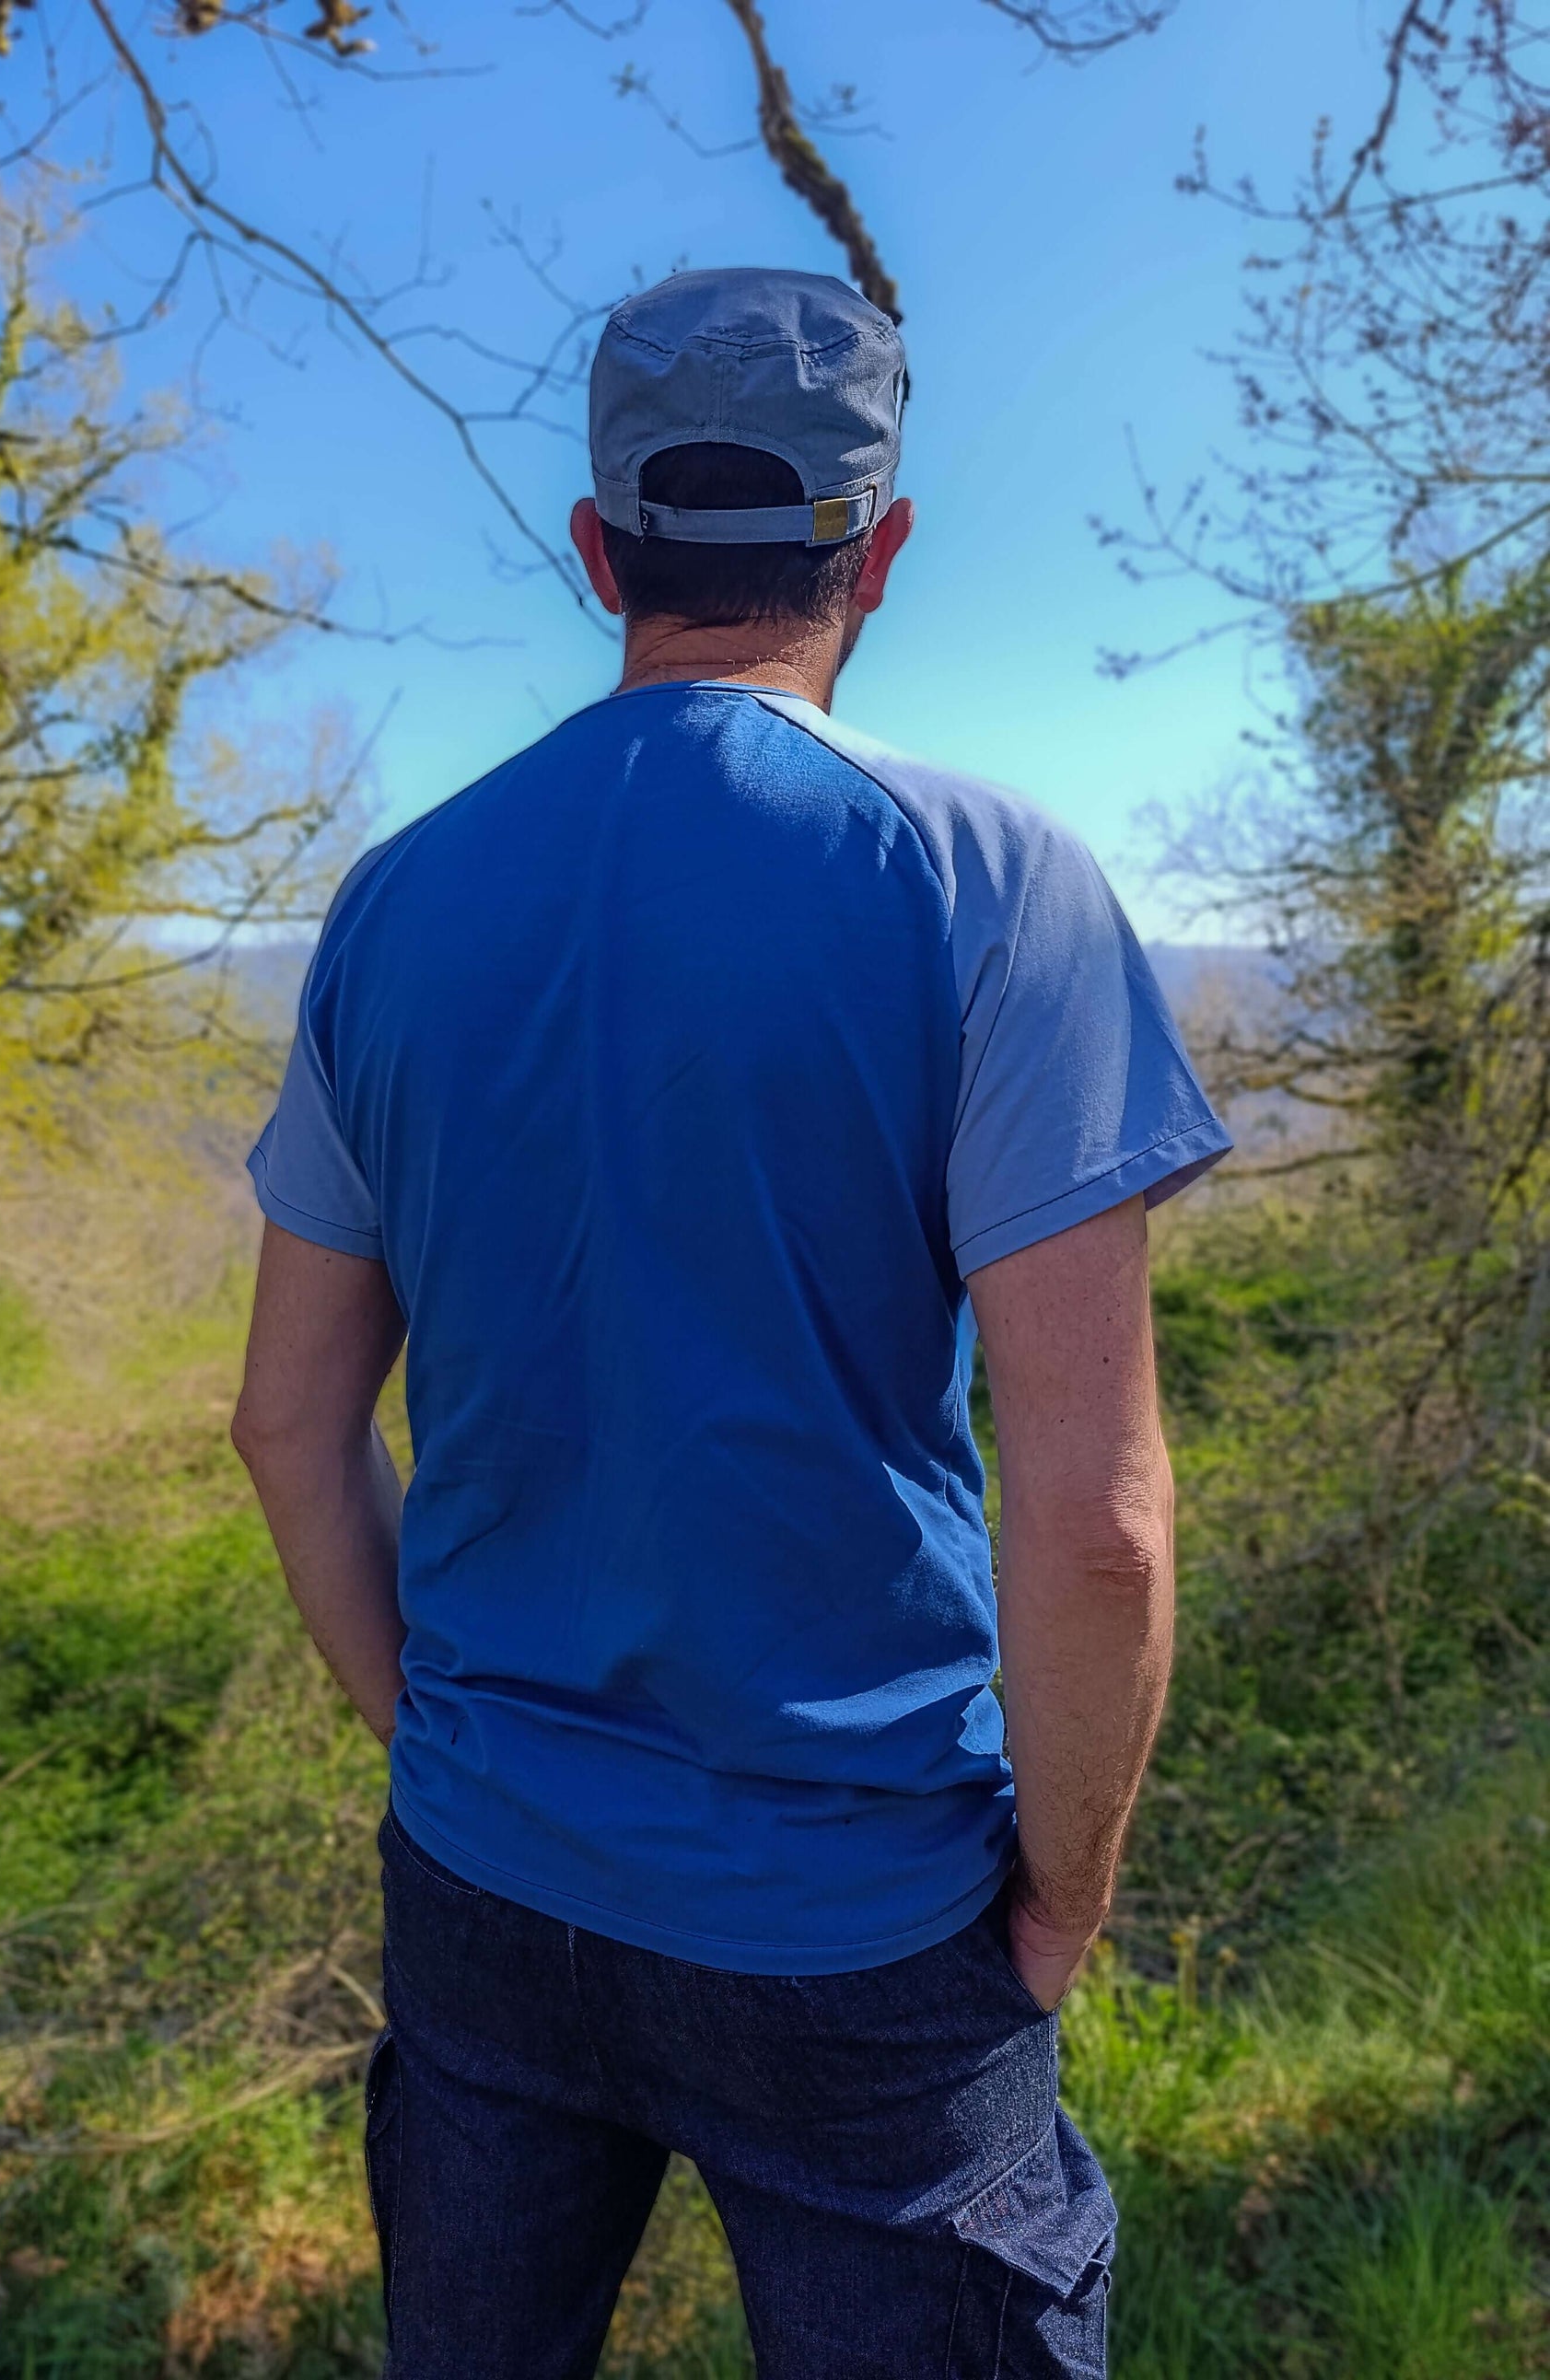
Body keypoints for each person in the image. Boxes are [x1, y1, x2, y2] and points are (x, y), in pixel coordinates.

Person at [232, 266, 1230, 2380]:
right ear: (877, 546)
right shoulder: (988, 884)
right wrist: (1061, 1897)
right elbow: (1096, 1522)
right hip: (859, 1929)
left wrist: (439, 1743)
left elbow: (285, 1429)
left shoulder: (393, 902)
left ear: (594, 551)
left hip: (487, 1888)